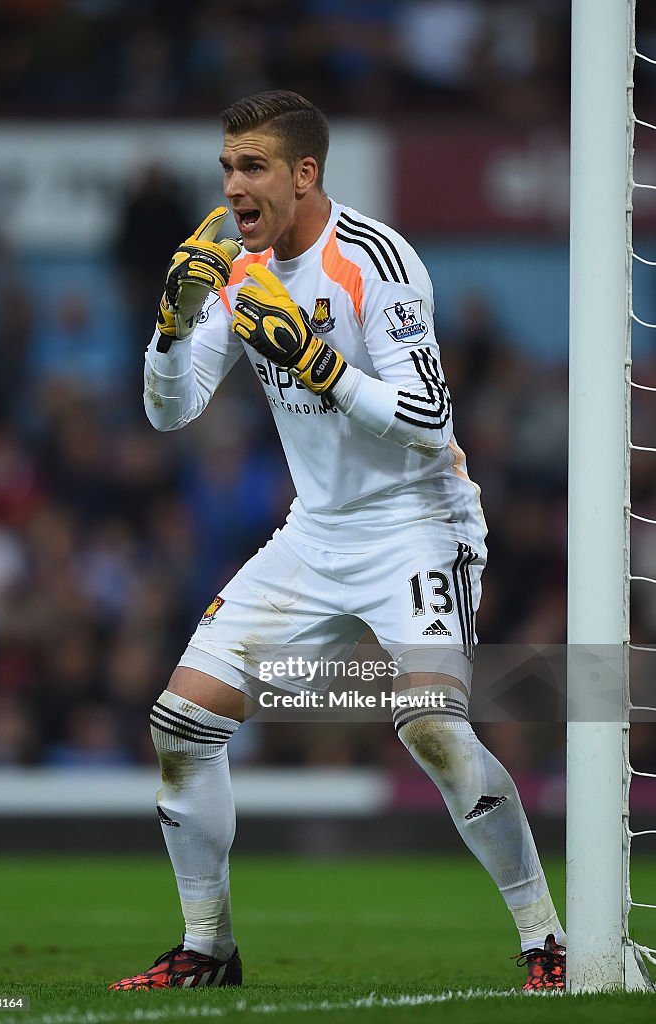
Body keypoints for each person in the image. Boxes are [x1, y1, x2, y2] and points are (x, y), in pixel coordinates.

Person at [109, 90, 566, 994]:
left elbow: (431, 418)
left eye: (251, 168)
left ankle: (544, 940)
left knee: (431, 726)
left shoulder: (376, 259)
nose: (232, 186)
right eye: (226, 168)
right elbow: (172, 412)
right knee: (181, 725)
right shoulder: (238, 267)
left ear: (303, 173)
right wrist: (168, 328)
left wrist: (319, 366)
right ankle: (208, 949)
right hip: (314, 534)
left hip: (415, 522)